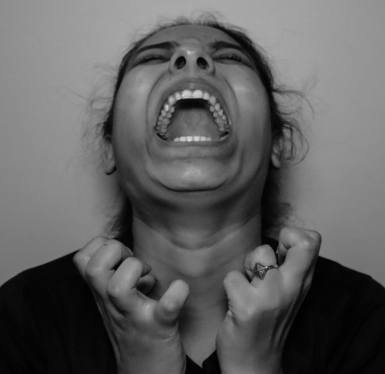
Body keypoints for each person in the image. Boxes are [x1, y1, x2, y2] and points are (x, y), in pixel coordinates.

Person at [1, 16, 384, 374]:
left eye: (229, 57)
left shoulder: (364, 317)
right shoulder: (23, 317)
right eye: (153, 57)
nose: (191, 57)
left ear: (277, 143)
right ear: (109, 147)